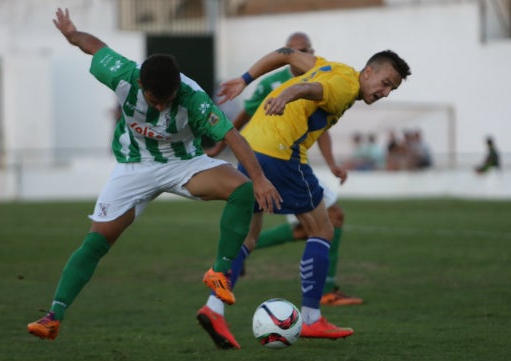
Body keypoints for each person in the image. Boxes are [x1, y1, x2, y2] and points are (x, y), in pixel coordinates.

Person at [26, 8, 281, 341]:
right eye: (154, 100)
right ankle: (53, 316)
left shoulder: (194, 99)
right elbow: (95, 46)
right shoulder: (122, 74)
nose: (161, 108)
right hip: (134, 166)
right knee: (96, 243)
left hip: (184, 164)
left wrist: (260, 179)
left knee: (243, 190)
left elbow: (232, 136)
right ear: (141, 85)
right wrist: (73, 35)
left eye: (168, 101)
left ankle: (219, 271)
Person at [199, 43, 411, 348]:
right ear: (368, 72)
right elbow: (314, 89)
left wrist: (245, 79)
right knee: (323, 228)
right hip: (281, 154)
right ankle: (311, 319)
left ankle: (214, 308)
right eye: (385, 83)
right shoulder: (345, 85)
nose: (386, 92)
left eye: (392, 88)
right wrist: (288, 94)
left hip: (250, 148)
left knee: (247, 238)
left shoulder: (331, 66)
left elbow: (285, 54)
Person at [205, 32, 362, 308]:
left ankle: (216, 300)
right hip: (278, 155)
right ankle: (320, 300)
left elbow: (322, 128)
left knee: (256, 234)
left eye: (305, 49)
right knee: (327, 222)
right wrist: (222, 144)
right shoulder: (276, 82)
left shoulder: (319, 74)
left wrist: (332, 163)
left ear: (310, 51)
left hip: (267, 155)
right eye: (295, 50)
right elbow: (248, 111)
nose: (300, 54)